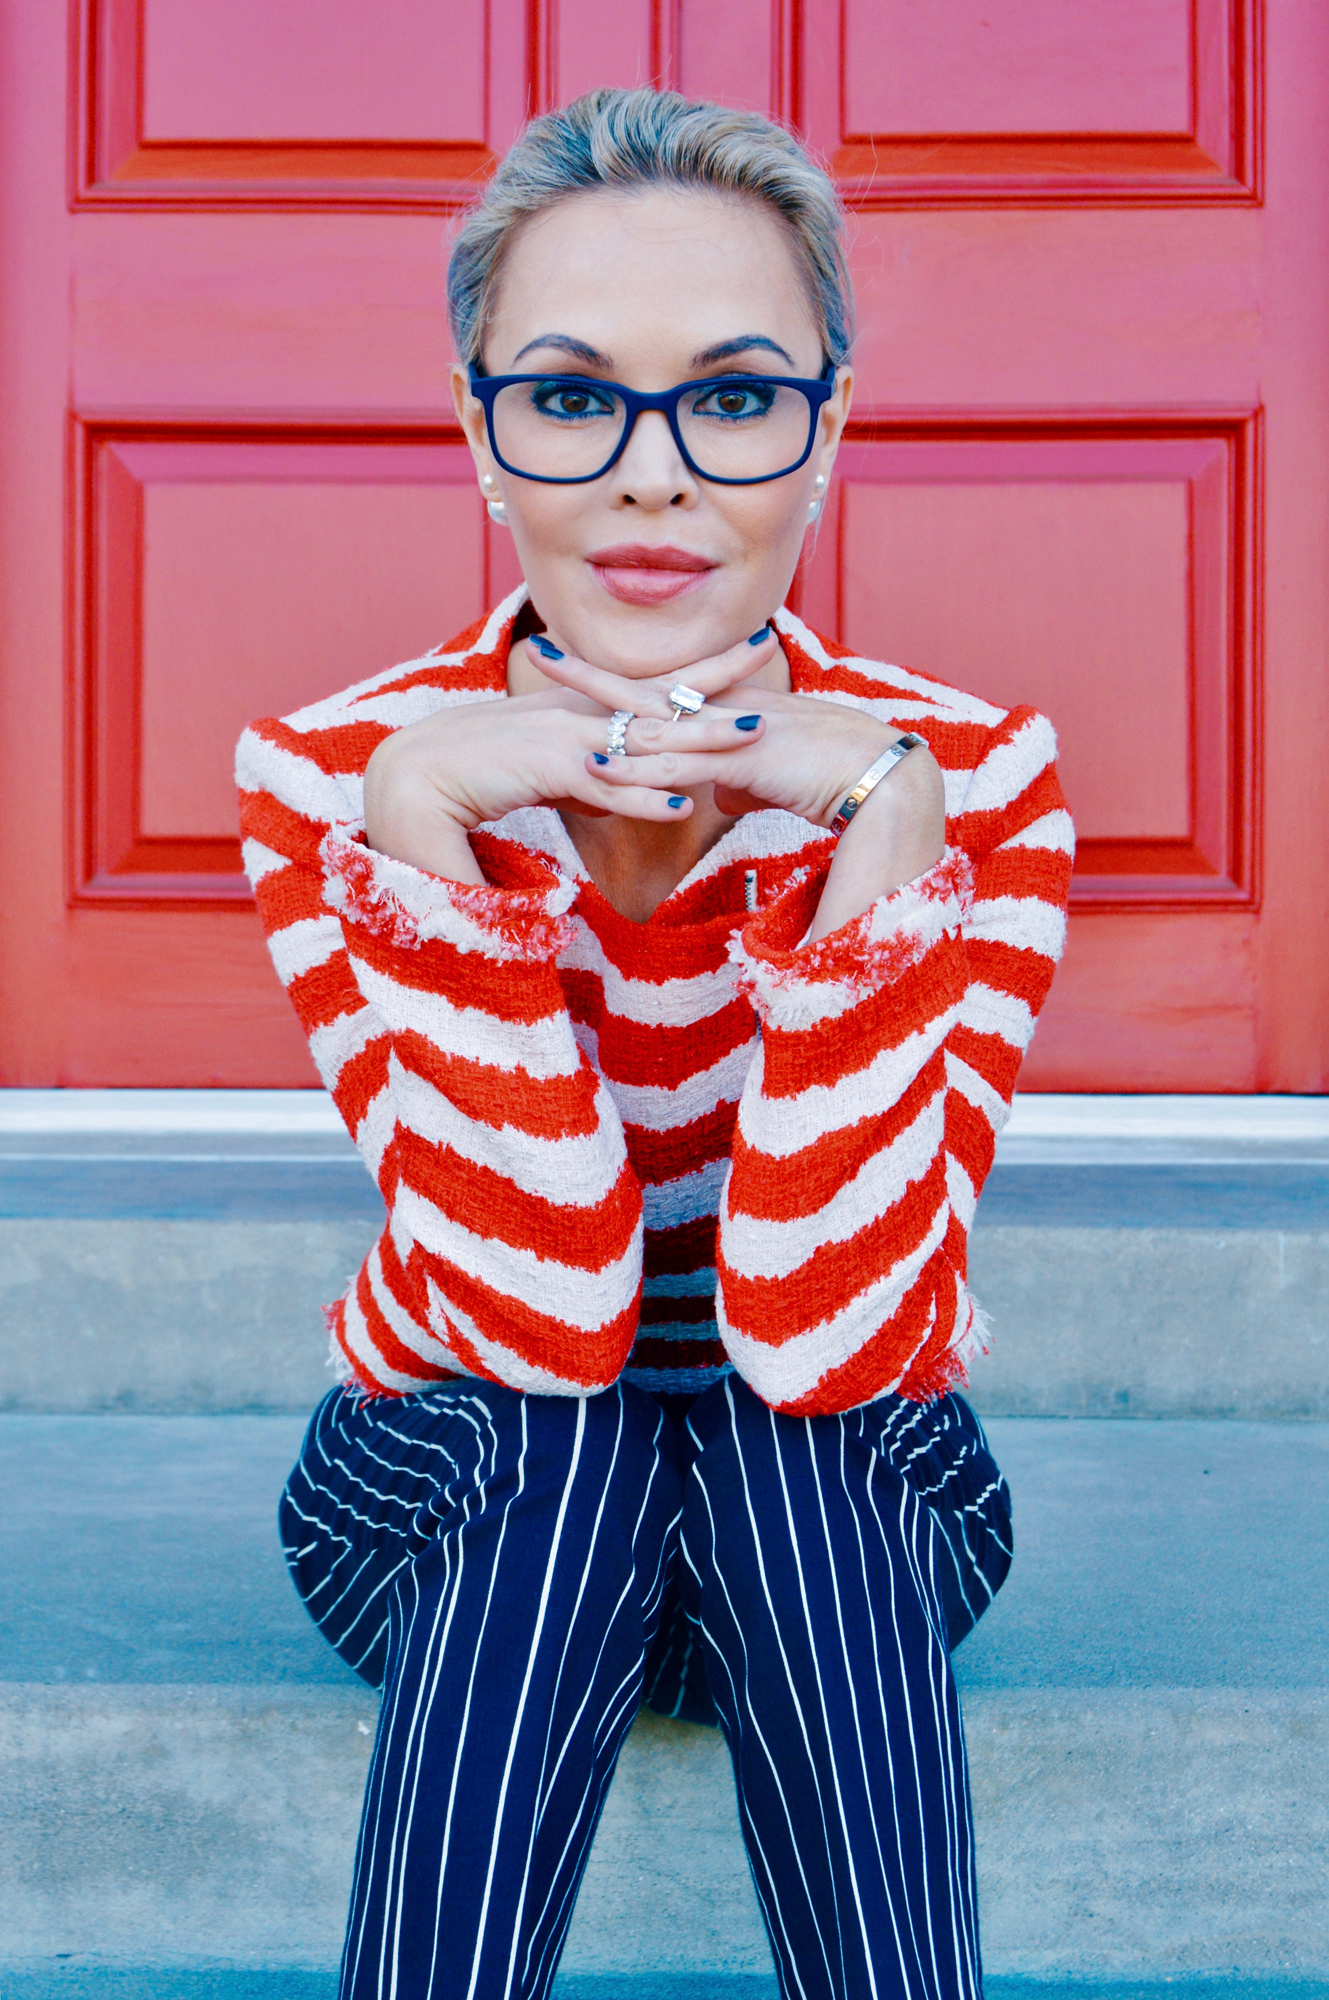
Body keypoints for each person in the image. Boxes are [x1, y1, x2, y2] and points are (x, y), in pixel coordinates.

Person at [237, 86, 1072, 2000]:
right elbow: (529, 1318)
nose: (650, 475)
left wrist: (873, 854)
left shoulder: (968, 777)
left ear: (825, 435)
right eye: (567, 394)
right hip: (451, 1490)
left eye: (733, 394)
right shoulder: (331, 778)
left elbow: (838, 1336)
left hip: (851, 1496)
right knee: (568, 1450)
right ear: (479, 434)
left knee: (796, 1460)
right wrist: (435, 840)